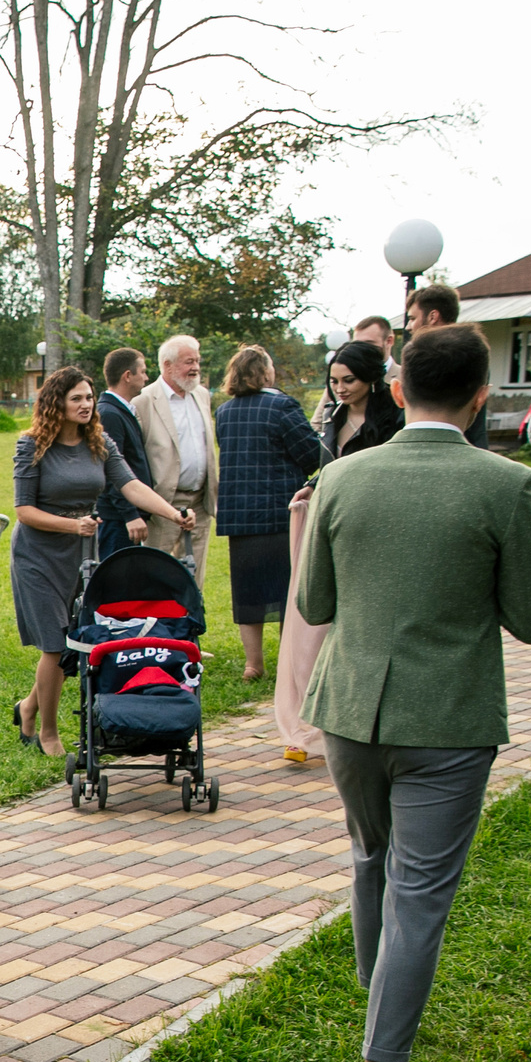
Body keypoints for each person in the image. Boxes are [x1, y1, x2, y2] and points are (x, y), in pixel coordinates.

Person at [298, 324, 531, 1062]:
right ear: (481, 397)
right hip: (446, 715)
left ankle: (381, 1017)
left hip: (350, 712)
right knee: (419, 890)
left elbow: (313, 605)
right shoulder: (506, 485)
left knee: (374, 859)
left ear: (399, 389)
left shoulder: (341, 476)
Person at [10, 367, 194, 756]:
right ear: (55, 403)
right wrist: (71, 525)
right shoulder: (32, 446)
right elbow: (24, 510)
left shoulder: (99, 442)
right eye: (76, 398)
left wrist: (173, 513)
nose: (85, 405)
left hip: (82, 553)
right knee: (55, 644)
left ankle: (27, 707)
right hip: (38, 553)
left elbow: (132, 486)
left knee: (72, 639)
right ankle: (48, 732)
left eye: (89, 397)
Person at [278, 340, 404, 764]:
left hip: (374, 529)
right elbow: (327, 467)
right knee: (315, 621)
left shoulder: (394, 421)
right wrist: (312, 486)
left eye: (348, 380)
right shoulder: (332, 418)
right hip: (331, 524)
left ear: (371, 378)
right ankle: (309, 723)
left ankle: (363, 721)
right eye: (334, 382)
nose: (341, 389)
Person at [212, 345, 324, 680]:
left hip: (239, 516)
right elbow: (311, 454)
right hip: (279, 513)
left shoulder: (225, 412)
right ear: (264, 372)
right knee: (287, 590)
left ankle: (253, 664)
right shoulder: (282, 405)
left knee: (247, 594)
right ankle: (290, 662)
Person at [136, 334, 218, 578]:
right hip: (163, 503)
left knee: (194, 578)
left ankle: (191, 617)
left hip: (200, 502)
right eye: (188, 362)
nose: (195, 368)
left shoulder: (201, 395)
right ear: (167, 365)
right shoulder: (144, 400)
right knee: (156, 576)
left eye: (197, 361)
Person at [403, 284, 489, 447]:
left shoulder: (464, 357)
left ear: (433, 316)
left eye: (413, 318)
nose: (408, 326)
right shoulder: (474, 353)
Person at [96, 347, 153, 555]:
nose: (146, 378)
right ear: (127, 376)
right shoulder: (110, 414)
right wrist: (129, 514)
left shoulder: (121, 410)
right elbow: (111, 470)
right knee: (115, 581)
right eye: (143, 371)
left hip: (123, 517)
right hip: (115, 518)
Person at [311, 317, 396, 435]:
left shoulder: (407, 379)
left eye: (369, 344)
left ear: (389, 341)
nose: (360, 351)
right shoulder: (338, 380)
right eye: (356, 344)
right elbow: (317, 424)